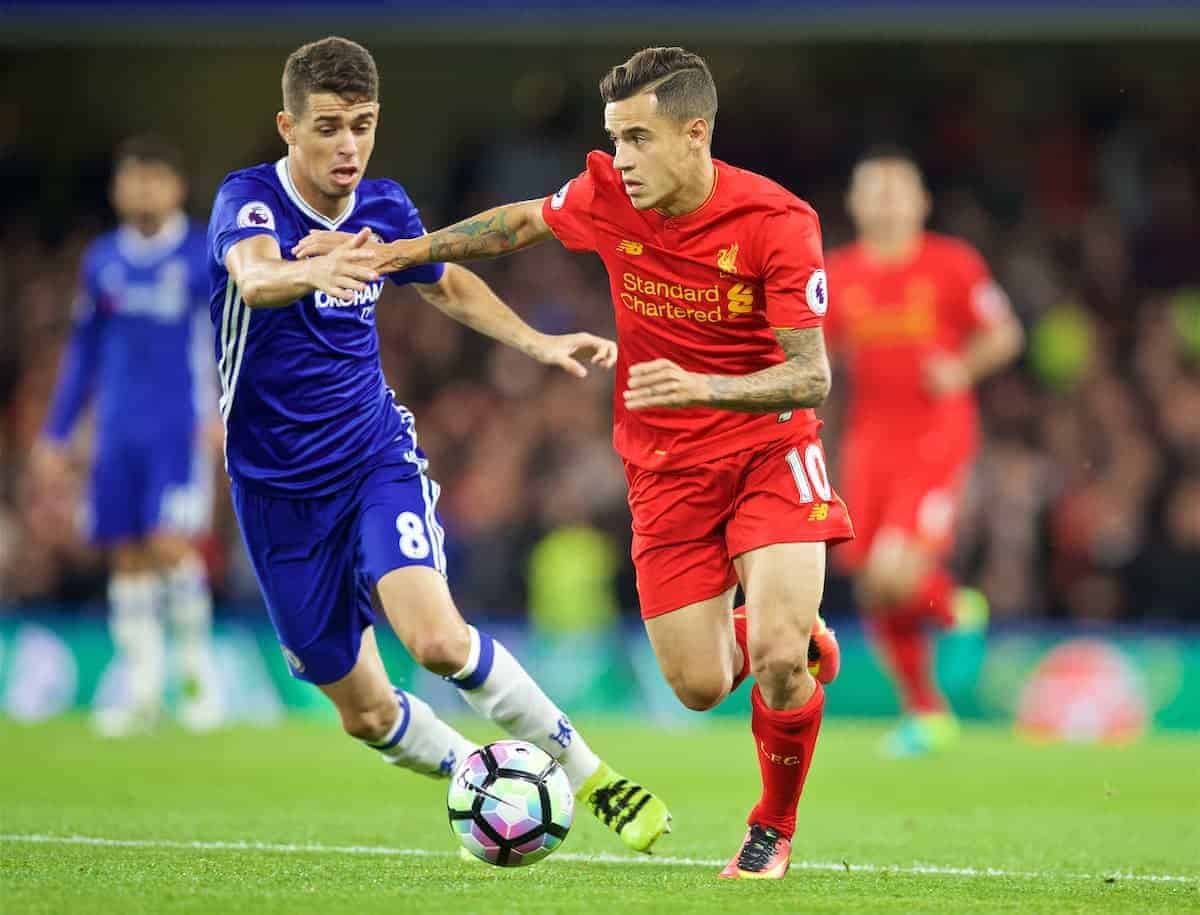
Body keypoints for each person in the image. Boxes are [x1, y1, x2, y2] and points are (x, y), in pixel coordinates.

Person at [298, 45, 851, 880]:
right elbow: (519, 222)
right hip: (664, 467)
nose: (621, 159)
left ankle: (770, 827)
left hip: (770, 448)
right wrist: (402, 255)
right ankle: (784, 628)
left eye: (637, 138)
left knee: (776, 664)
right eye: (614, 138)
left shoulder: (777, 223)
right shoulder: (606, 196)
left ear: (694, 134)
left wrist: (701, 382)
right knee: (700, 685)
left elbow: (813, 373)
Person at [209, 36, 669, 853]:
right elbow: (253, 276)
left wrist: (535, 341)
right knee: (367, 712)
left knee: (438, 638)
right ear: (288, 126)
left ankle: (595, 778)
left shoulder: (384, 207)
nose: (347, 146)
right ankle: (480, 772)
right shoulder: (249, 201)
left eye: (362, 125)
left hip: (371, 459)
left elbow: (448, 281)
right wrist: (311, 272)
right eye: (327, 127)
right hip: (275, 493)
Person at [823, 147, 1024, 757]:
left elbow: (1005, 335)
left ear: (921, 202)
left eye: (896, 189)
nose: (885, 200)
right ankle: (927, 713)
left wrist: (960, 367)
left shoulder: (952, 264)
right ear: (855, 203)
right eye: (873, 190)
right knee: (872, 588)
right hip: (868, 439)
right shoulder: (838, 272)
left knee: (892, 569)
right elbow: (814, 353)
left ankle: (958, 609)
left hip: (934, 435)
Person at [36, 136, 221, 737]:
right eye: (132, 179)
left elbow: (224, 341)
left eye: (153, 178)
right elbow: (83, 352)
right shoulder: (102, 260)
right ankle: (142, 693)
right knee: (128, 553)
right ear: (117, 189)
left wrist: (223, 411)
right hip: (116, 432)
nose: (141, 190)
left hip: (178, 430)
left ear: (175, 187)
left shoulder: (201, 256)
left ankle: (196, 684)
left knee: (171, 545)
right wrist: (58, 432)